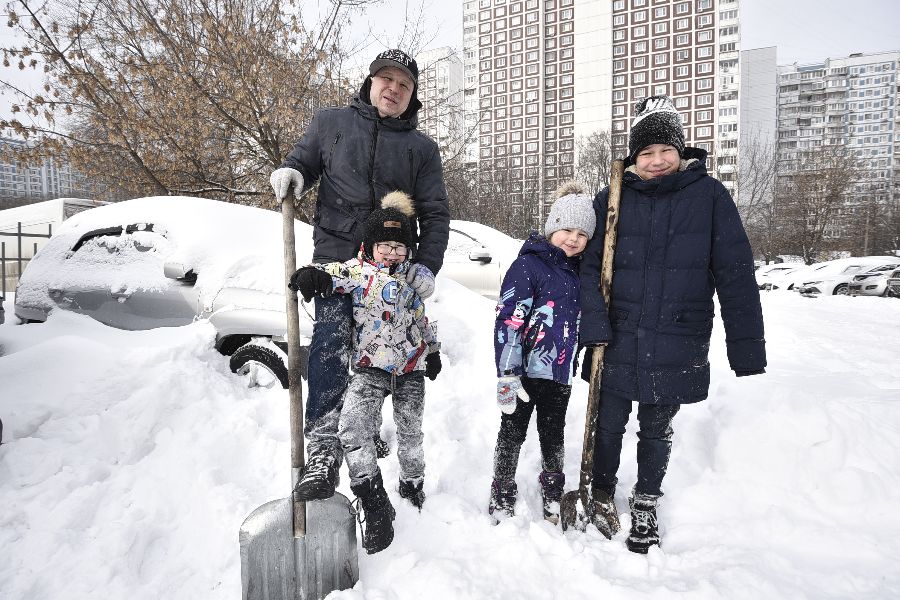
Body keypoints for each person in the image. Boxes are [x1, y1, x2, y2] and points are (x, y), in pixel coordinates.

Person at [579, 95, 767, 553]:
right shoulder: (612, 197)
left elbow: (735, 273)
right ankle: (600, 488)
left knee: (656, 427)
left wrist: (747, 350)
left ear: (682, 152)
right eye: (646, 153)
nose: (657, 161)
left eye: (666, 150)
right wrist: (595, 326)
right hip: (617, 336)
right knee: (607, 423)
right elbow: (587, 271)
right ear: (633, 158)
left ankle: (646, 500)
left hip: (678, 336)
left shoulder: (710, 197)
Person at [269, 49, 450, 501]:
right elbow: (304, 161)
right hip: (335, 255)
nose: (394, 89)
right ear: (369, 83)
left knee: (382, 351)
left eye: (404, 85)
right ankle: (325, 448)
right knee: (331, 340)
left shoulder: (422, 150)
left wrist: (426, 265)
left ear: (413, 97)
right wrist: (292, 171)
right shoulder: (330, 123)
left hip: (391, 265)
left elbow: (434, 212)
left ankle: (369, 432)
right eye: (386, 79)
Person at [291, 191, 442, 554]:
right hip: (369, 369)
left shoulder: (412, 280)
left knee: (410, 434)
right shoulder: (359, 273)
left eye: (399, 246)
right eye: (384, 245)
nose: (391, 252)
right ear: (370, 246)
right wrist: (313, 275)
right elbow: (333, 274)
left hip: (409, 371)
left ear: (408, 250)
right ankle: (373, 500)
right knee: (352, 428)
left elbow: (422, 319)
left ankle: (412, 482)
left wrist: (432, 351)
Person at [489, 182, 596, 525]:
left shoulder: (582, 274)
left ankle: (553, 487)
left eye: (582, 233)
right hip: (520, 373)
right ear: (552, 228)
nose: (573, 238)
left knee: (554, 431)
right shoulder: (528, 266)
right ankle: (502, 485)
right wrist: (507, 373)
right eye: (566, 229)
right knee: (512, 430)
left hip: (558, 372)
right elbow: (509, 319)